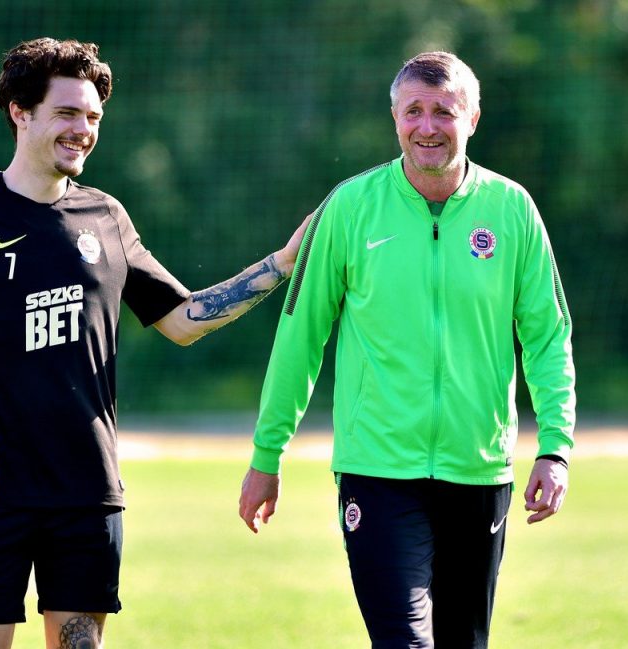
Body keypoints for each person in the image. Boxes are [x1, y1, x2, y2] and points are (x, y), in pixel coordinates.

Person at [0, 37, 307, 649]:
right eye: (67, 113)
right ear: (20, 112)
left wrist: (283, 261)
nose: (83, 130)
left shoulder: (106, 217)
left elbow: (183, 318)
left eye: (93, 117)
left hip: (87, 491)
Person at [238, 51, 576, 649]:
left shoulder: (512, 209)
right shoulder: (350, 207)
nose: (427, 126)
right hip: (378, 470)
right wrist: (268, 453)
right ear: (394, 117)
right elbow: (300, 337)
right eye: (413, 110)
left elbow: (547, 337)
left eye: (444, 111)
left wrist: (555, 448)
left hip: (479, 466)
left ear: (472, 119)